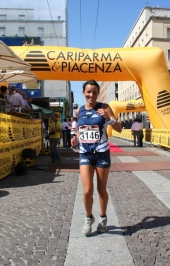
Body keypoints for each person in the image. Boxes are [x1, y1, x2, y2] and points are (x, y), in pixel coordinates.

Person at [71, 80, 122, 236]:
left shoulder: (104, 107)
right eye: (88, 92)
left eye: (94, 92)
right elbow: (80, 130)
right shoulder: (79, 111)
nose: (91, 95)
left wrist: (108, 117)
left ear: (97, 93)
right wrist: (75, 139)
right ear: (83, 93)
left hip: (101, 153)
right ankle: (88, 218)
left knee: (101, 190)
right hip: (85, 152)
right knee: (87, 191)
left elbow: (119, 129)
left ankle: (103, 217)